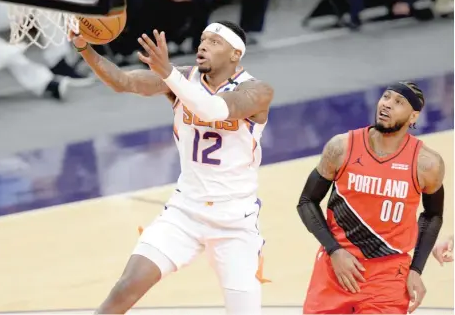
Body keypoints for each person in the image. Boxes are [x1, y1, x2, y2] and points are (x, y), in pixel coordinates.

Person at [71, 20, 274, 315]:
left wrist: (167, 73)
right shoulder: (181, 78)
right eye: (203, 39)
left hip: (234, 221)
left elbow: (214, 110)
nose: (203, 45)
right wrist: (84, 48)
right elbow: (122, 81)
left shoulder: (257, 91)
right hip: (184, 212)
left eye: (215, 42)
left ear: (235, 55)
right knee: (124, 289)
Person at [296, 81, 445, 314]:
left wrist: (416, 269)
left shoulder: (426, 164)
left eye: (398, 102)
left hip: (388, 275)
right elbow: (306, 201)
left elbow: (433, 215)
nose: (387, 105)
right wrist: (334, 250)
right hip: (336, 266)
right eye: (386, 97)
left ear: (413, 116)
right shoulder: (341, 147)